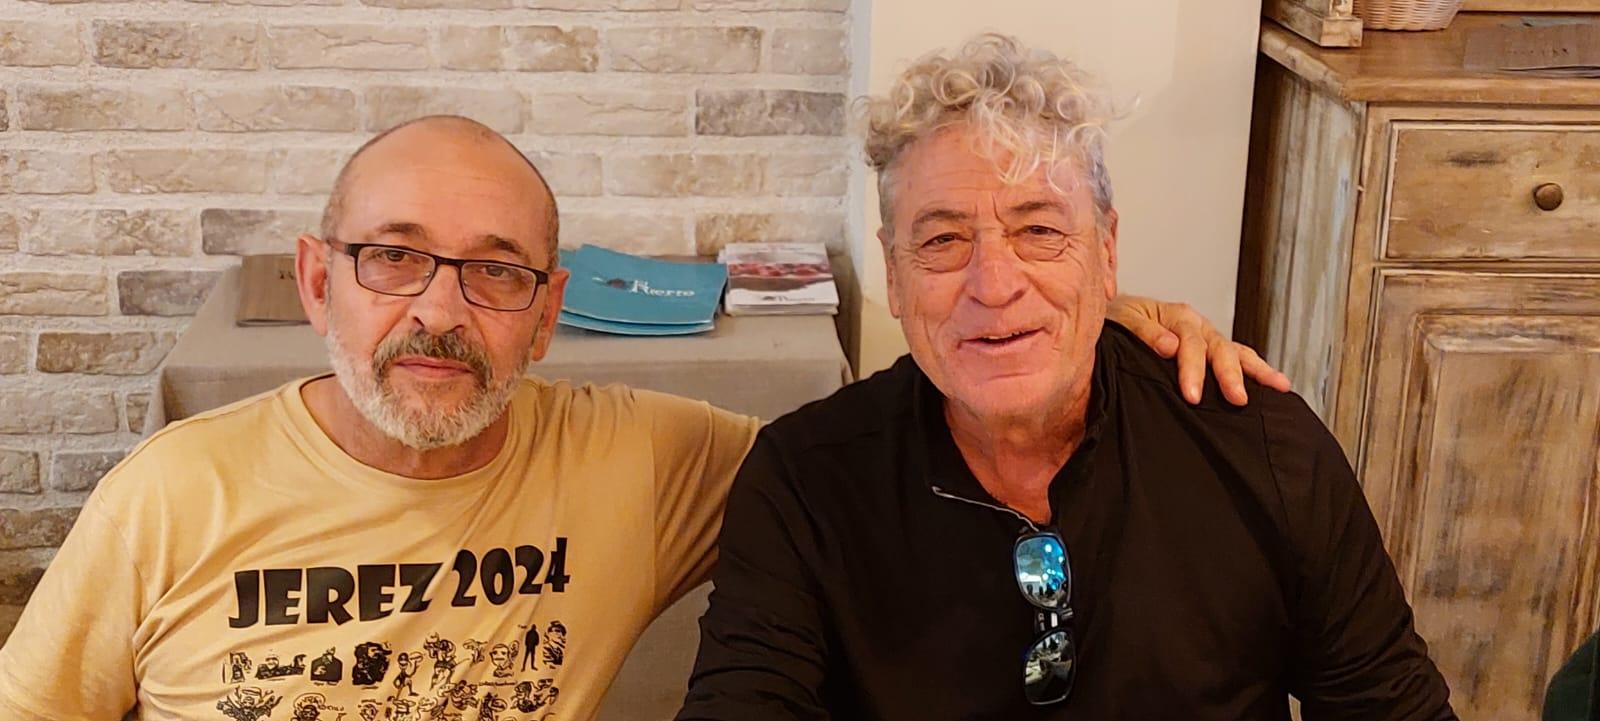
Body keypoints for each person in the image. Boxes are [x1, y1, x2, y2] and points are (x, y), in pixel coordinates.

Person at [0, 115, 1275, 721]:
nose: (440, 310)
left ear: (546, 314)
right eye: (393, 257)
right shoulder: (171, 492)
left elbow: (883, 451)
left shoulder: (642, 458)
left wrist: (1080, 320)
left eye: (495, 271)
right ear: (316, 278)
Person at [675, 35, 1457, 721]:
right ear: (894, 272)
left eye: (1040, 230)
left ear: (1106, 254)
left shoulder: (1263, 447)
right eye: (943, 241)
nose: (993, 284)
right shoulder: (805, 483)